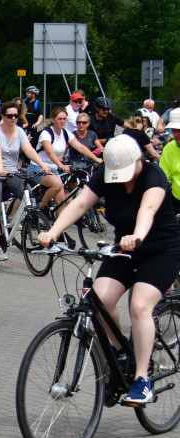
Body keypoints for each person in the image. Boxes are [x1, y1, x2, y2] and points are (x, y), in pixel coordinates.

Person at [38, 135, 180, 405]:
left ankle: (142, 380)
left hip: (160, 250)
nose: (122, 179)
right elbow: (80, 204)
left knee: (139, 306)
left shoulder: (153, 175)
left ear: (139, 160)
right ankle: (119, 350)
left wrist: (137, 235)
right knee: (99, 299)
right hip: (124, 249)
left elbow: (148, 209)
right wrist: (53, 232)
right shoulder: (106, 173)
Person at [0, 102, 53, 261]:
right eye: (9, 116)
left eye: (15, 116)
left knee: (27, 192)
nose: (13, 118)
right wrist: (0, 169)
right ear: (3, 117)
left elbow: (29, 150)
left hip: (12, 171)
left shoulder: (19, 131)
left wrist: (43, 166)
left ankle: (12, 219)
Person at [34, 108, 101, 213]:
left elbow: (80, 147)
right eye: (59, 119)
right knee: (57, 185)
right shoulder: (46, 133)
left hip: (53, 169)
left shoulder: (66, 133)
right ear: (53, 120)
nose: (62, 121)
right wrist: (61, 165)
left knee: (61, 201)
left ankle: (59, 229)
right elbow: (49, 152)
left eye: (64, 119)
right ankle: (38, 209)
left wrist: (96, 159)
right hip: (39, 167)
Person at [160, 109, 180, 214]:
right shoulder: (169, 149)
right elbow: (163, 177)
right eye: (174, 130)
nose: (177, 134)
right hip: (177, 201)